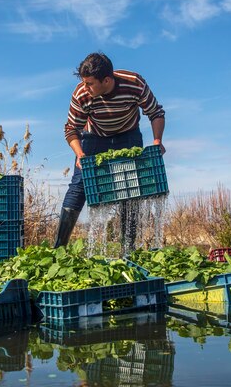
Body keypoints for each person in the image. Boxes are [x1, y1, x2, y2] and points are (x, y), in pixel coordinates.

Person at [54, 52, 166, 248]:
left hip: (128, 136)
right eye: (84, 83)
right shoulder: (82, 94)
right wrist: (80, 154)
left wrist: (157, 140)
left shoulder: (134, 83)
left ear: (106, 80)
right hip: (94, 138)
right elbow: (71, 129)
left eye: (90, 84)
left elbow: (155, 112)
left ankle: (128, 249)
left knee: (129, 189)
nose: (85, 88)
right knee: (79, 185)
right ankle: (58, 249)